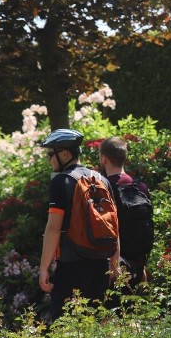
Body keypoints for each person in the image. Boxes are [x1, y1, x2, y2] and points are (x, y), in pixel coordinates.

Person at [38, 128, 119, 322]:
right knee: (95, 326)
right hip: (100, 266)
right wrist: (114, 264)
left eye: (51, 154)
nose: (49, 159)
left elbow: (53, 228)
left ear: (64, 153)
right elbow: (114, 226)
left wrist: (43, 268)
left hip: (70, 266)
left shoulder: (61, 182)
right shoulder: (102, 180)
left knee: (63, 328)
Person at [99, 137, 152, 291]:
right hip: (138, 265)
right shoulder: (140, 187)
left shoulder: (104, 188)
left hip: (114, 268)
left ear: (104, 158)